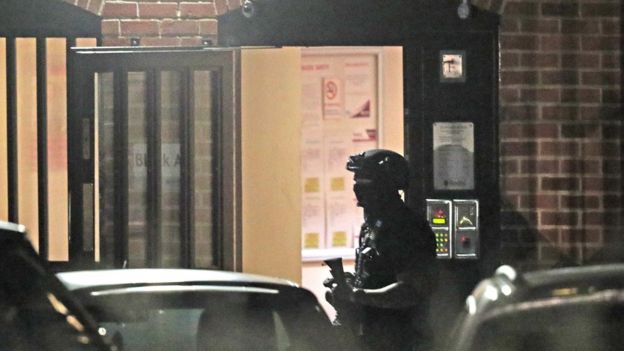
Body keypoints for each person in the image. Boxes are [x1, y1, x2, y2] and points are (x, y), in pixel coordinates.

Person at [324, 149, 438, 351]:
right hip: (369, 338)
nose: (357, 188)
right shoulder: (372, 225)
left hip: (400, 341)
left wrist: (357, 295)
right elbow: (378, 275)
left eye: (364, 181)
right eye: (356, 181)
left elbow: (412, 290)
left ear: (385, 186)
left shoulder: (407, 228)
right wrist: (348, 284)